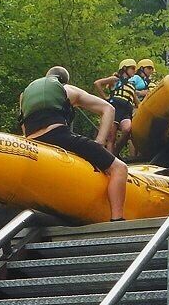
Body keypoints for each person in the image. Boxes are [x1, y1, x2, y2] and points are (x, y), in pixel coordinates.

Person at [19, 66, 128, 222]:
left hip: (31, 144)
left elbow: (24, 126)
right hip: (58, 136)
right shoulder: (66, 89)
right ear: (63, 81)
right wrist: (99, 142)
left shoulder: (25, 94)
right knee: (119, 168)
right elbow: (108, 109)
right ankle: (117, 219)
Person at [93, 59, 147, 156]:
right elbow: (97, 83)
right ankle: (110, 159)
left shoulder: (131, 85)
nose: (134, 71)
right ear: (125, 68)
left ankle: (116, 151)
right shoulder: (115, 79)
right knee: (111, 138)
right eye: (132, 68)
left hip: (126, 111)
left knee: (127, 129)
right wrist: (105, 98)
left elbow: (137, 103)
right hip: (115, 109)